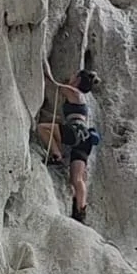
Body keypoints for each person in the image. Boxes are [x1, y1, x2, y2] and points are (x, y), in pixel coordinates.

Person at [37, 60, 100, 223]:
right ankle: (81, 211)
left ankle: (56, 154)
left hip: (75, 132)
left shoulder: (73, 91)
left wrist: (44, 65)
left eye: (74, 76)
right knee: (77, 179)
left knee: (43, 128)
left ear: (78, 80)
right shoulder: (82, 99)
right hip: (85, 138)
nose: (70, 77)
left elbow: (53, 83)